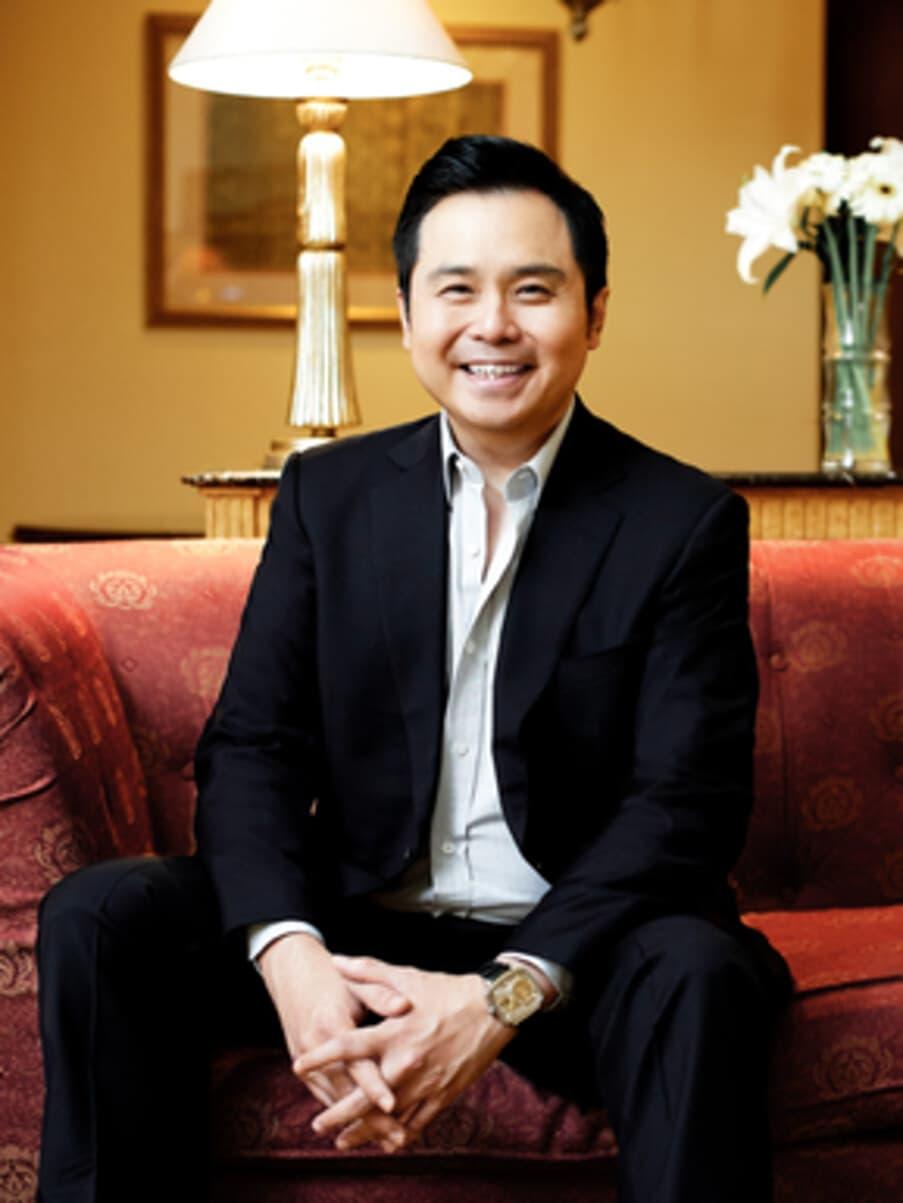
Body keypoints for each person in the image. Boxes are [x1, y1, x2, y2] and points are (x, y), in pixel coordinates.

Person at [37, 135, 791, 1203]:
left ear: (595, 313)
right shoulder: (328, 496)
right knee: (104, 914)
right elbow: (253, 746)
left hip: (579, 946)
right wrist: (291, 957)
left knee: (702, 972)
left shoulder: (680, 520)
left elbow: (686, 803)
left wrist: (499, 997)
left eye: (534, 289)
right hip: (357, 921)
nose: (493, 325)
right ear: (404, 314)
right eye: (457, 289)